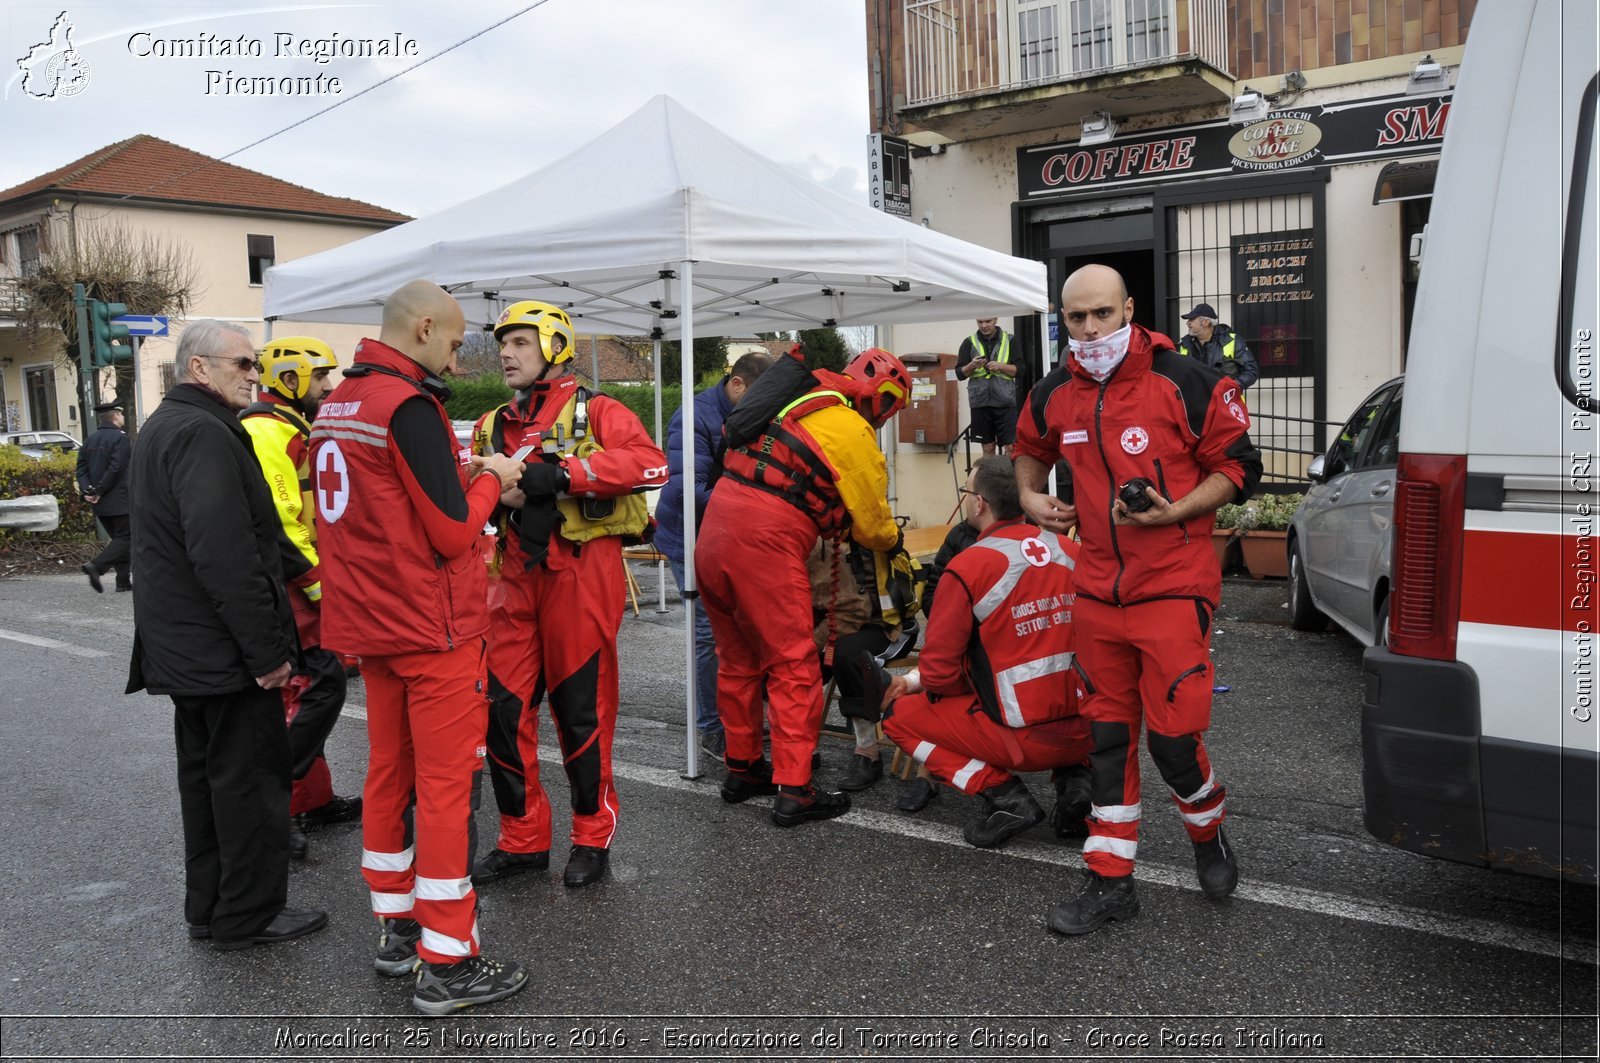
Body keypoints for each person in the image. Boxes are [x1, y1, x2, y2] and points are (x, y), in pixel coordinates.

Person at [1014, 264, 1262, 935]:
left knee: (1176, 744)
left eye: (1101, 314)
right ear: (1062, 320)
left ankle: (1207, 831)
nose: (1089, 329)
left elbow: (1239, 467)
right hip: (1094, 591)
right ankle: (1111, 880)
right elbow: (1028, 451)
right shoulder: (1053, 391)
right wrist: (1034, 496)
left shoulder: (1187, 380)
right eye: (1075, 318)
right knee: (1108, 741)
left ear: (1129, 309)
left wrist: (1175, 509)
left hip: (1174, 589)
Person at [311, 280, 528, 1016]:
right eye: (456, 342)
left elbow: (378, 508)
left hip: (371, 621)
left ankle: (397, 929)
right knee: (442, 790)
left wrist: (458, 484)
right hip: (430, 627)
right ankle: (449, 961)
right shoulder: (409, 406)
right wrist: (492, 481)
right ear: (425, 327)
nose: (461, 362)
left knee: (386, 774)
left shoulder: (336, 403)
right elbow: (451, 533)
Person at [126, 319, 326, 952]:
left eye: (254, 363)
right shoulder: (203, 433)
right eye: (241, 363)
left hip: (187, 648)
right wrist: (267, 653)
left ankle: (211, 908)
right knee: (248, 783)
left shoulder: (166, 425)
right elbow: (226, 554)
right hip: (221, 651)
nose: (254, 374)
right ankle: (248, 914)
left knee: (207, 784)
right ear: (199, 369)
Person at [470, 301, 668, 890]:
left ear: (555, 347)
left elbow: (652, 467)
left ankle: (590, 835)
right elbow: (464, 480)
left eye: (521, 343)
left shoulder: (598, 409)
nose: (506, 352)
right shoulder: (488, 424)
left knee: (581, 714)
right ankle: (523, 839)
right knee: (502, 713)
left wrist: (563, 477)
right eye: (504, 343)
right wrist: (492, 487)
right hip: (513, 578)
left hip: (580, 575)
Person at [697, 346, 910, 827]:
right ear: (884, 402)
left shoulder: (794, 397)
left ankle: (742, 770)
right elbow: (876, 529)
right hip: (767, 541)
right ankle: (795, 791)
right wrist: (887, 536)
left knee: (738, 662)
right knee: (794, 667)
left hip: (715, 531)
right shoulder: (851, 427)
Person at [873, 456, 1092, 849]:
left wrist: (915, 682)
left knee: (898, 717)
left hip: (1021, 737)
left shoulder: (968, 566)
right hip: (1092, 729)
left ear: (979, 503)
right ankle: (1078, 786)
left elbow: (940, 675)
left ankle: (1006, 797)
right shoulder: (1070, 551)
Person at [241, 337, 363, 862]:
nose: (329, 387)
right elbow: (282, 524)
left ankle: (309, 800)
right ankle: (272, 804)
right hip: (293, 584)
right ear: (289, 379)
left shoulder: (290, 427)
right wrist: (318, 585)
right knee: (319, 683)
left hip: (301, 579)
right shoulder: (268, 431)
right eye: (320, 378)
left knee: (303, 688)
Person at [654, 351, 775, 762]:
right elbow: (686, 489)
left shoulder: (751, 413)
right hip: (688, 536)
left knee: (745, 627)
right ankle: (711, 728)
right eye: (760, 397)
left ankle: (744, 716)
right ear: (737, 384)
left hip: (731, 535)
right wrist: (751, 507)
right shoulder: (694, 417)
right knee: (709, 631)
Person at [807, 538, 920, 793]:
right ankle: (803, 746)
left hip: (887, 626)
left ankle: (868, 752)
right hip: (839, 623)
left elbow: (854, 611)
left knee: (847, 655)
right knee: (798, 659)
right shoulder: (815, 538)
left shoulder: (867, 528)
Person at [76, 402, 132, 593]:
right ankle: (96, 566)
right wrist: (99, 490)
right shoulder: (120, 439)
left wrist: (88, 491)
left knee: (119, 540)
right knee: (128, 538)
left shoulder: (90, 440)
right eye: (121, 416)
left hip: (100, 503)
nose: (123, 419)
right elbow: (116, 468)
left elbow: (81, 468)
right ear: (116, 416)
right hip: (120, 500)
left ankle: (123, 582)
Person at [956, 316, 1019, 456]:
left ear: (995, 320)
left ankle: (1009, 477)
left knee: (1011, 448)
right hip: (980, 402)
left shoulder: (1010, 340)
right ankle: (991, 478)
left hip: (1005, 402)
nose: (984, 325)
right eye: (980, 322)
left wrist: (1001, 366)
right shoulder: (969, 342)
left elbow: (1021, 371)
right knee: (988, 448)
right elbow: (959, 374)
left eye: (988, 321)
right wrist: (971, 365)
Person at [1178, 303, 1259, 392]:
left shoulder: (1232, 341)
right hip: (1196, 403)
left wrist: (1228, 388)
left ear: (1205, 322)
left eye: (1192, 319)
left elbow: (1251, 372)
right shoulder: (1185, 344)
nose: (1188, 323)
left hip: (1225, 403)